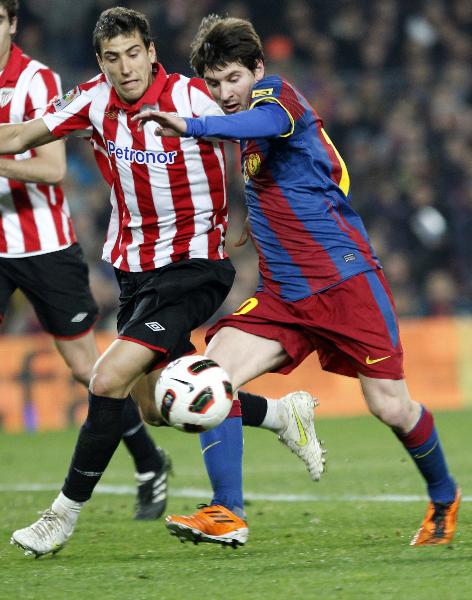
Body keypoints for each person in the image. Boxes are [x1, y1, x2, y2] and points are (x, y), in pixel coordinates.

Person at [5, 7, 324, 558]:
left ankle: (60, 517)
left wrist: (260, 213)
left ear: (151, 52)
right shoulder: (90, 99)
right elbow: (21, 136)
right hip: (132, 272)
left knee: (106, 380)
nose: (125, 68)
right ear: (100, 63)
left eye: (133, 53)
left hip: (194, 268)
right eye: (112, 58)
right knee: (158, 407)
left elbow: (261, 127)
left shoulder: (193, 99)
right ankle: (279, 414)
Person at [134, 14, 460, 548]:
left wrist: (191, 124)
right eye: (214, 85)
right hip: (284, 296)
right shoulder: (245, 128)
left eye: (233, 78)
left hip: (345, 284)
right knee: (211, 376)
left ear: (257, 69)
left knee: (391, 408)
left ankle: (444, 496)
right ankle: (226, 512)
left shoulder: (277, 96)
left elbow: (260, 126)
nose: (225, 93)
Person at [0, 0, 172, 523]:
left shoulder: (36, 80)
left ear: (10, 23)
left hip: (44, 247)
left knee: (85, 369)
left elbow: (52, 169)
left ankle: (149, 462)